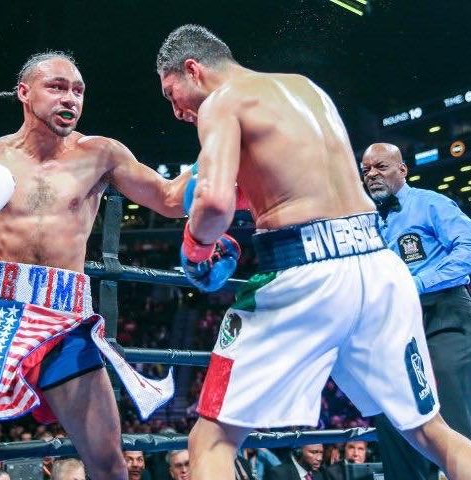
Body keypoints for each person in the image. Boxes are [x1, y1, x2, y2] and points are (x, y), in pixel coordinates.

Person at [155, 24, 471, 480]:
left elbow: (214, 203)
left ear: (193, 69)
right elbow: (292, 179)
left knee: (211, 441)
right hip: (379, 266)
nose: (176, 110)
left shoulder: (222, 102)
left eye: (172, 94)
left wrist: (195, 248)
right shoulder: (305, 88)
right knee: (431, 432)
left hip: (307, 272)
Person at [0, 51, 190, 480]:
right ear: (24, 93)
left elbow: (170, 201)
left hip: (66, 316)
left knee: (108, 463)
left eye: (78, 90)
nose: (70, 98)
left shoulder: (100, 154)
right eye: (57, 87)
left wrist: (221, 150)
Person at [361, 142, 471, 480]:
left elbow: (467, 248)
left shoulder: (430, 203)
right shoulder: (363, 221)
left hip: (442, 313)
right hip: (391, 323)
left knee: (451, 401)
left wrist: (418, 283)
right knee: (390, 414)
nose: (372, 174)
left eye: (381, 166)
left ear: (402, 169)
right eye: (366, 170)